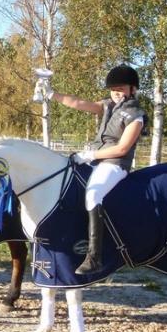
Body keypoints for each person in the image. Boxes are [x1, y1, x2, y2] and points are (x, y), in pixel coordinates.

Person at [43, 64, 145, 274]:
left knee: (93, 194)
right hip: (97, 161)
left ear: (132, 89)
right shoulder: (108, 105)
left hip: (115, 165)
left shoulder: (136, 115)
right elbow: (80, 103)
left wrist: (90, 155)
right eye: (113, 89)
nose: (117, 93)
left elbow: (122, 148)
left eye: (121, 89)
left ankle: (94, 257)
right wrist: (52, 94)